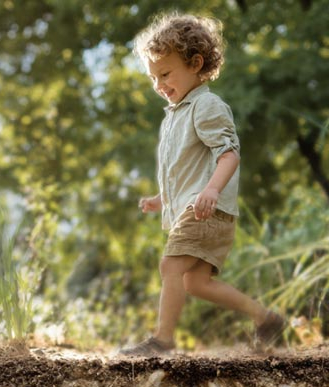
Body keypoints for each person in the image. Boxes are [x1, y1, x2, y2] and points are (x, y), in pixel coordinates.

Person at [119, 12, 285, 356]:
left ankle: (162, 341)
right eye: (153, 77)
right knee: (194, 283)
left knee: (171, 266)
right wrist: (161, 200)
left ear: (195, 64)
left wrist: (211, 190)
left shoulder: (206, 105)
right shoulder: (176, 115)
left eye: (165, 73)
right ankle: (265, 318)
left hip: (206, 208)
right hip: (197, 206)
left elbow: (229, 154)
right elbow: (184, 172)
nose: (159, 84)